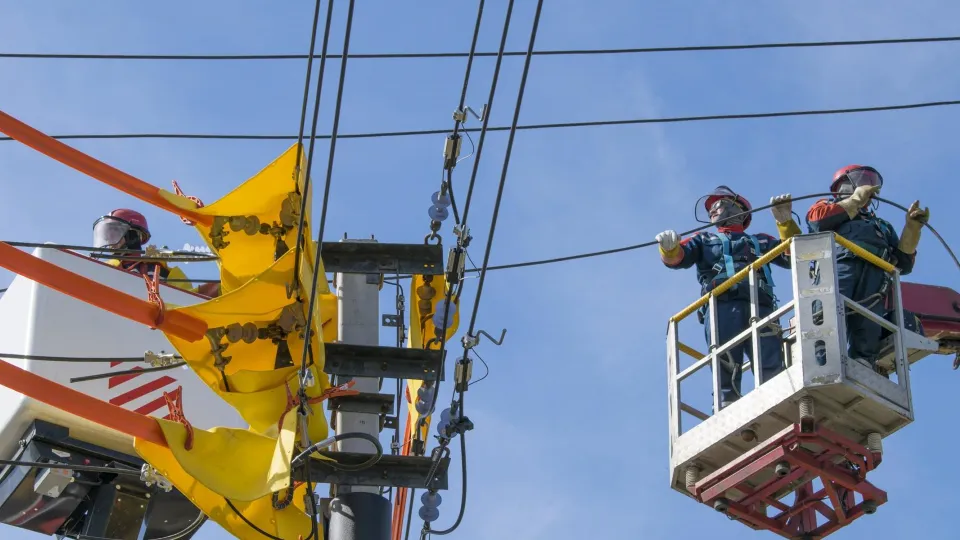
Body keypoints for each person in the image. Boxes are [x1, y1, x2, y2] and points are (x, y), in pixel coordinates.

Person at [656, 186, 792, 408]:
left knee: (769, 357)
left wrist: (785, 223)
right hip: (722, 305)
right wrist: (668, 249)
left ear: (738, 209)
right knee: (725, 358)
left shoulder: (760, 241)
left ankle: (780, 400)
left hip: (760, 304)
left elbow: (794, 255)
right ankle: (727, 404)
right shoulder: (704, 240)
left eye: (718, 204)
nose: (712, 211)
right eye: (710, 209)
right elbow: (680, 257)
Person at [806, 165, 928, 368]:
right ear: (842, 186)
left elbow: (903, 263)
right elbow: (817, 222)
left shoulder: (881, 226)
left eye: (871, 181)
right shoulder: (826, 207)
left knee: (869, 319)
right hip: (839, 265)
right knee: (829, 310)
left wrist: (912, 229)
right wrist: (854, 201)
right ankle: (824, 358)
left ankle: (863, 362)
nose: (869, 186)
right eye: (862, 180)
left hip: (875, 273)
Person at [92, 209, 220, 298]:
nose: (109, 238)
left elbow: (188, 301)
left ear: (133, 235)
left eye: (115, 232)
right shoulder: (105, 269)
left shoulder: (166, 273)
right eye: (107, 234)